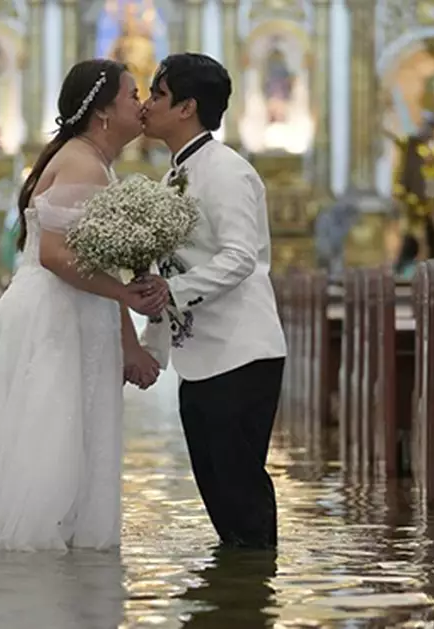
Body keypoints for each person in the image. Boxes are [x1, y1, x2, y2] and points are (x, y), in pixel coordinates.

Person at [0, 59, 168, 552]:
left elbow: (99, 262)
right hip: (53, 315)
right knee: (47, 438)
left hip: (73, 311)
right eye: (131, 95)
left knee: (65, 436)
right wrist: (124, 297)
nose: (139, 106)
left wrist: (126, 338)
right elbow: (55, 255)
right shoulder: (80, 161)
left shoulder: (93, 161)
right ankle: (36, 577)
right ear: (102, 112)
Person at [138, 53, 288, 549]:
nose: (147, 105)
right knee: (220, 503)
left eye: (157, 95)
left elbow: (241, 257)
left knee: (242, 498)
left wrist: (171, 292)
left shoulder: (227, 171)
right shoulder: (173, 177)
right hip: (199, 360)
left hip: (242, 354)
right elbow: (167, 270)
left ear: (187, 107)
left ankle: (254, 598)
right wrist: (152, 350)